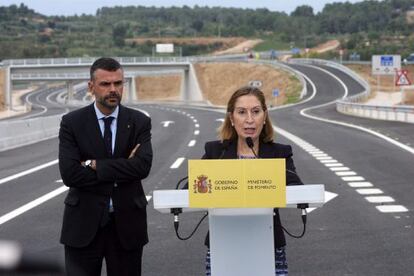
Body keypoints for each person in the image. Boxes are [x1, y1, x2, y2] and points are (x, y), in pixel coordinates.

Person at [58, 57, 153, 276]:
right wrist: (122, 168)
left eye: (118, 83)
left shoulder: (139, 121)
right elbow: (70, 174)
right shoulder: (72, 122)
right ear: (91, 86)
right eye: (105, 84)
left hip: (127, 226)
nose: (113, 90)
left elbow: (142, 167)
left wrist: (93, 165)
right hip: (83, 226)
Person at [202, 86, 303, 276]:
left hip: (269, 246)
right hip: (223, 246)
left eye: (256, 112)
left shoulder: (280, 153)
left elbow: (297, 189)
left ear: (264, 116)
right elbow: (190, 189)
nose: (249, 119)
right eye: (242, 112)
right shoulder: (216, 152)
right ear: (231, 118)